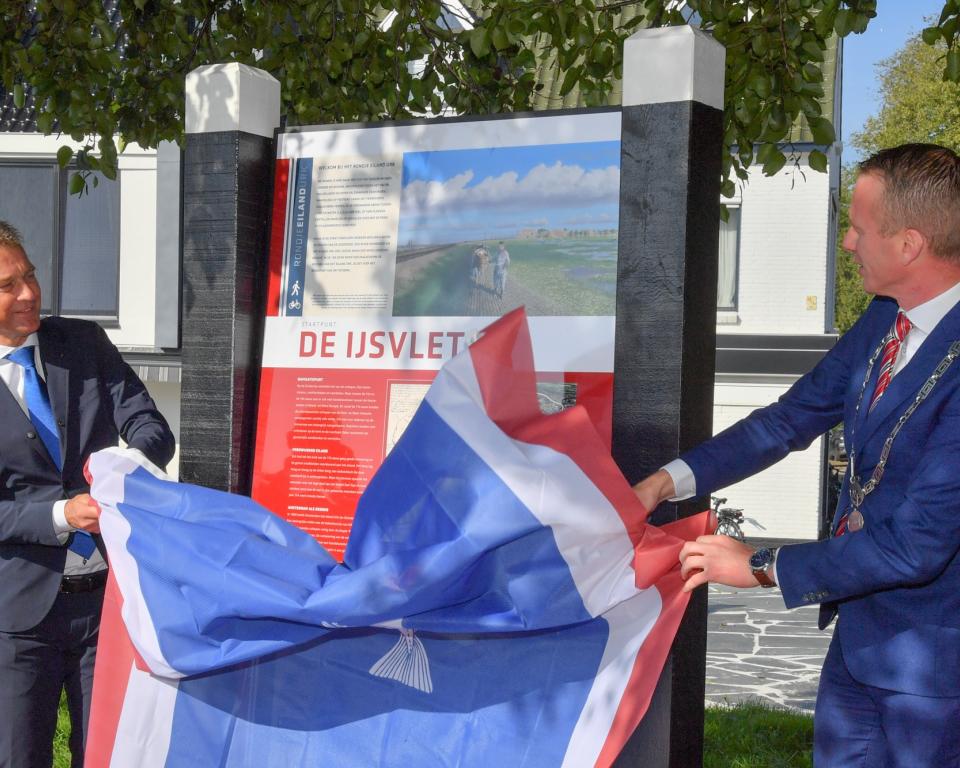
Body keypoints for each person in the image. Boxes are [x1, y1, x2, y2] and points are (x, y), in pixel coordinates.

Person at [633, 143, 960, 767]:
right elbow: (787, 420)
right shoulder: (886, 317)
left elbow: (916, 546)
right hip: (861, 644)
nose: (846, 243)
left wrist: (760, 565)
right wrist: (662, 483)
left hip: (935, 672)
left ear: (909, 244)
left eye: (859, 229)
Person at [0, 221, 175, 768]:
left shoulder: (83, 342)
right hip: (17, 619)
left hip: (109, 603)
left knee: (109, 755)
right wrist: (59, 515)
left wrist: (119, 471)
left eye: (30, 276)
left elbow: (151, 428)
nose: (30, 293)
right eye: (9, 285)